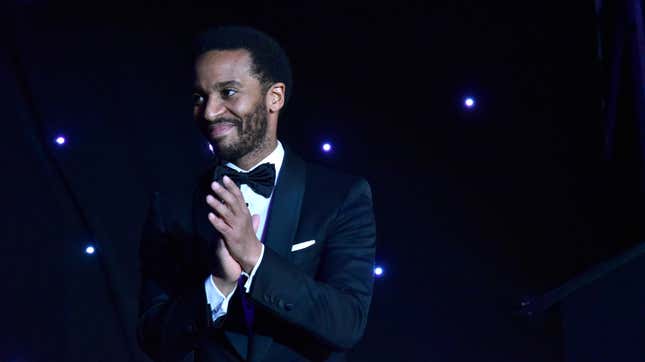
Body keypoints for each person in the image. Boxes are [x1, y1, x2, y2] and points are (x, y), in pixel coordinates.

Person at [137, 26, 377, 362]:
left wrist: (255, 258)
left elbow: (346, 324)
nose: (209, 112)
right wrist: (218, 285)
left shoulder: (340, 195)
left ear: (274, 97)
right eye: (199, 97)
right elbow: (153, 338)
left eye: (229, 92)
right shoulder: (173, 205)